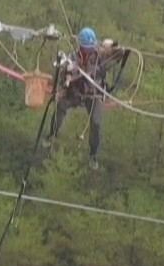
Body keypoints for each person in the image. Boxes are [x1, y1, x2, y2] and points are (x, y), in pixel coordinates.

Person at [47, 27, 128, 167]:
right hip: (76, 92)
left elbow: (120, 53)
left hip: (93, 94)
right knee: (61, 106)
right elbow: (63, 74)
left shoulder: (100, 55)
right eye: (85, 48)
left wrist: (112, 45)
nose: (87, 51)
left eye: (89, 48)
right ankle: (52, 133)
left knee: (96, 123)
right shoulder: (73, 56)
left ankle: (93, 155)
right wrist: (63, 86)